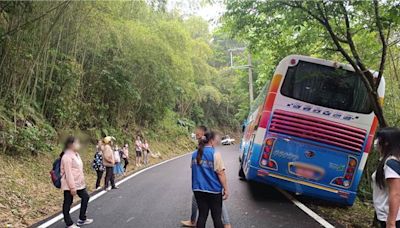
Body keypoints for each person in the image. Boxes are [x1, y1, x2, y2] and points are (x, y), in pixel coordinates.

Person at [182, 126, 232, 228]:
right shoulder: (215, 154)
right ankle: (226, 223)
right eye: (215, 140)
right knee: (216, 218)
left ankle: (193, 221)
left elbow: (193, 168)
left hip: (198, 190)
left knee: (202, 216)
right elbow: (221, 173)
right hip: (213, 191)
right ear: (211, 141)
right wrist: (226, 189)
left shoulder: (194, 154)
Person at [61, 136, 93, 228]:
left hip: (79, 184)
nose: (79, 145)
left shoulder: (76, 154)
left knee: (85, 197)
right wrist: (72, 187)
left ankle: (82, 219)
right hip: (70, 184)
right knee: (68, 202)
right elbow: (68, 173)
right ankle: (69, 223)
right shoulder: (66, 156)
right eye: (77, 143)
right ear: (71, 145)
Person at [372, 127, 400, 228]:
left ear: (386, 143)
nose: (376, 142)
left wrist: (391, 223)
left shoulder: (390, 163)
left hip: (393, 219)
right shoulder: (391, 161)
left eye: (379, 139)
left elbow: (396, 193)